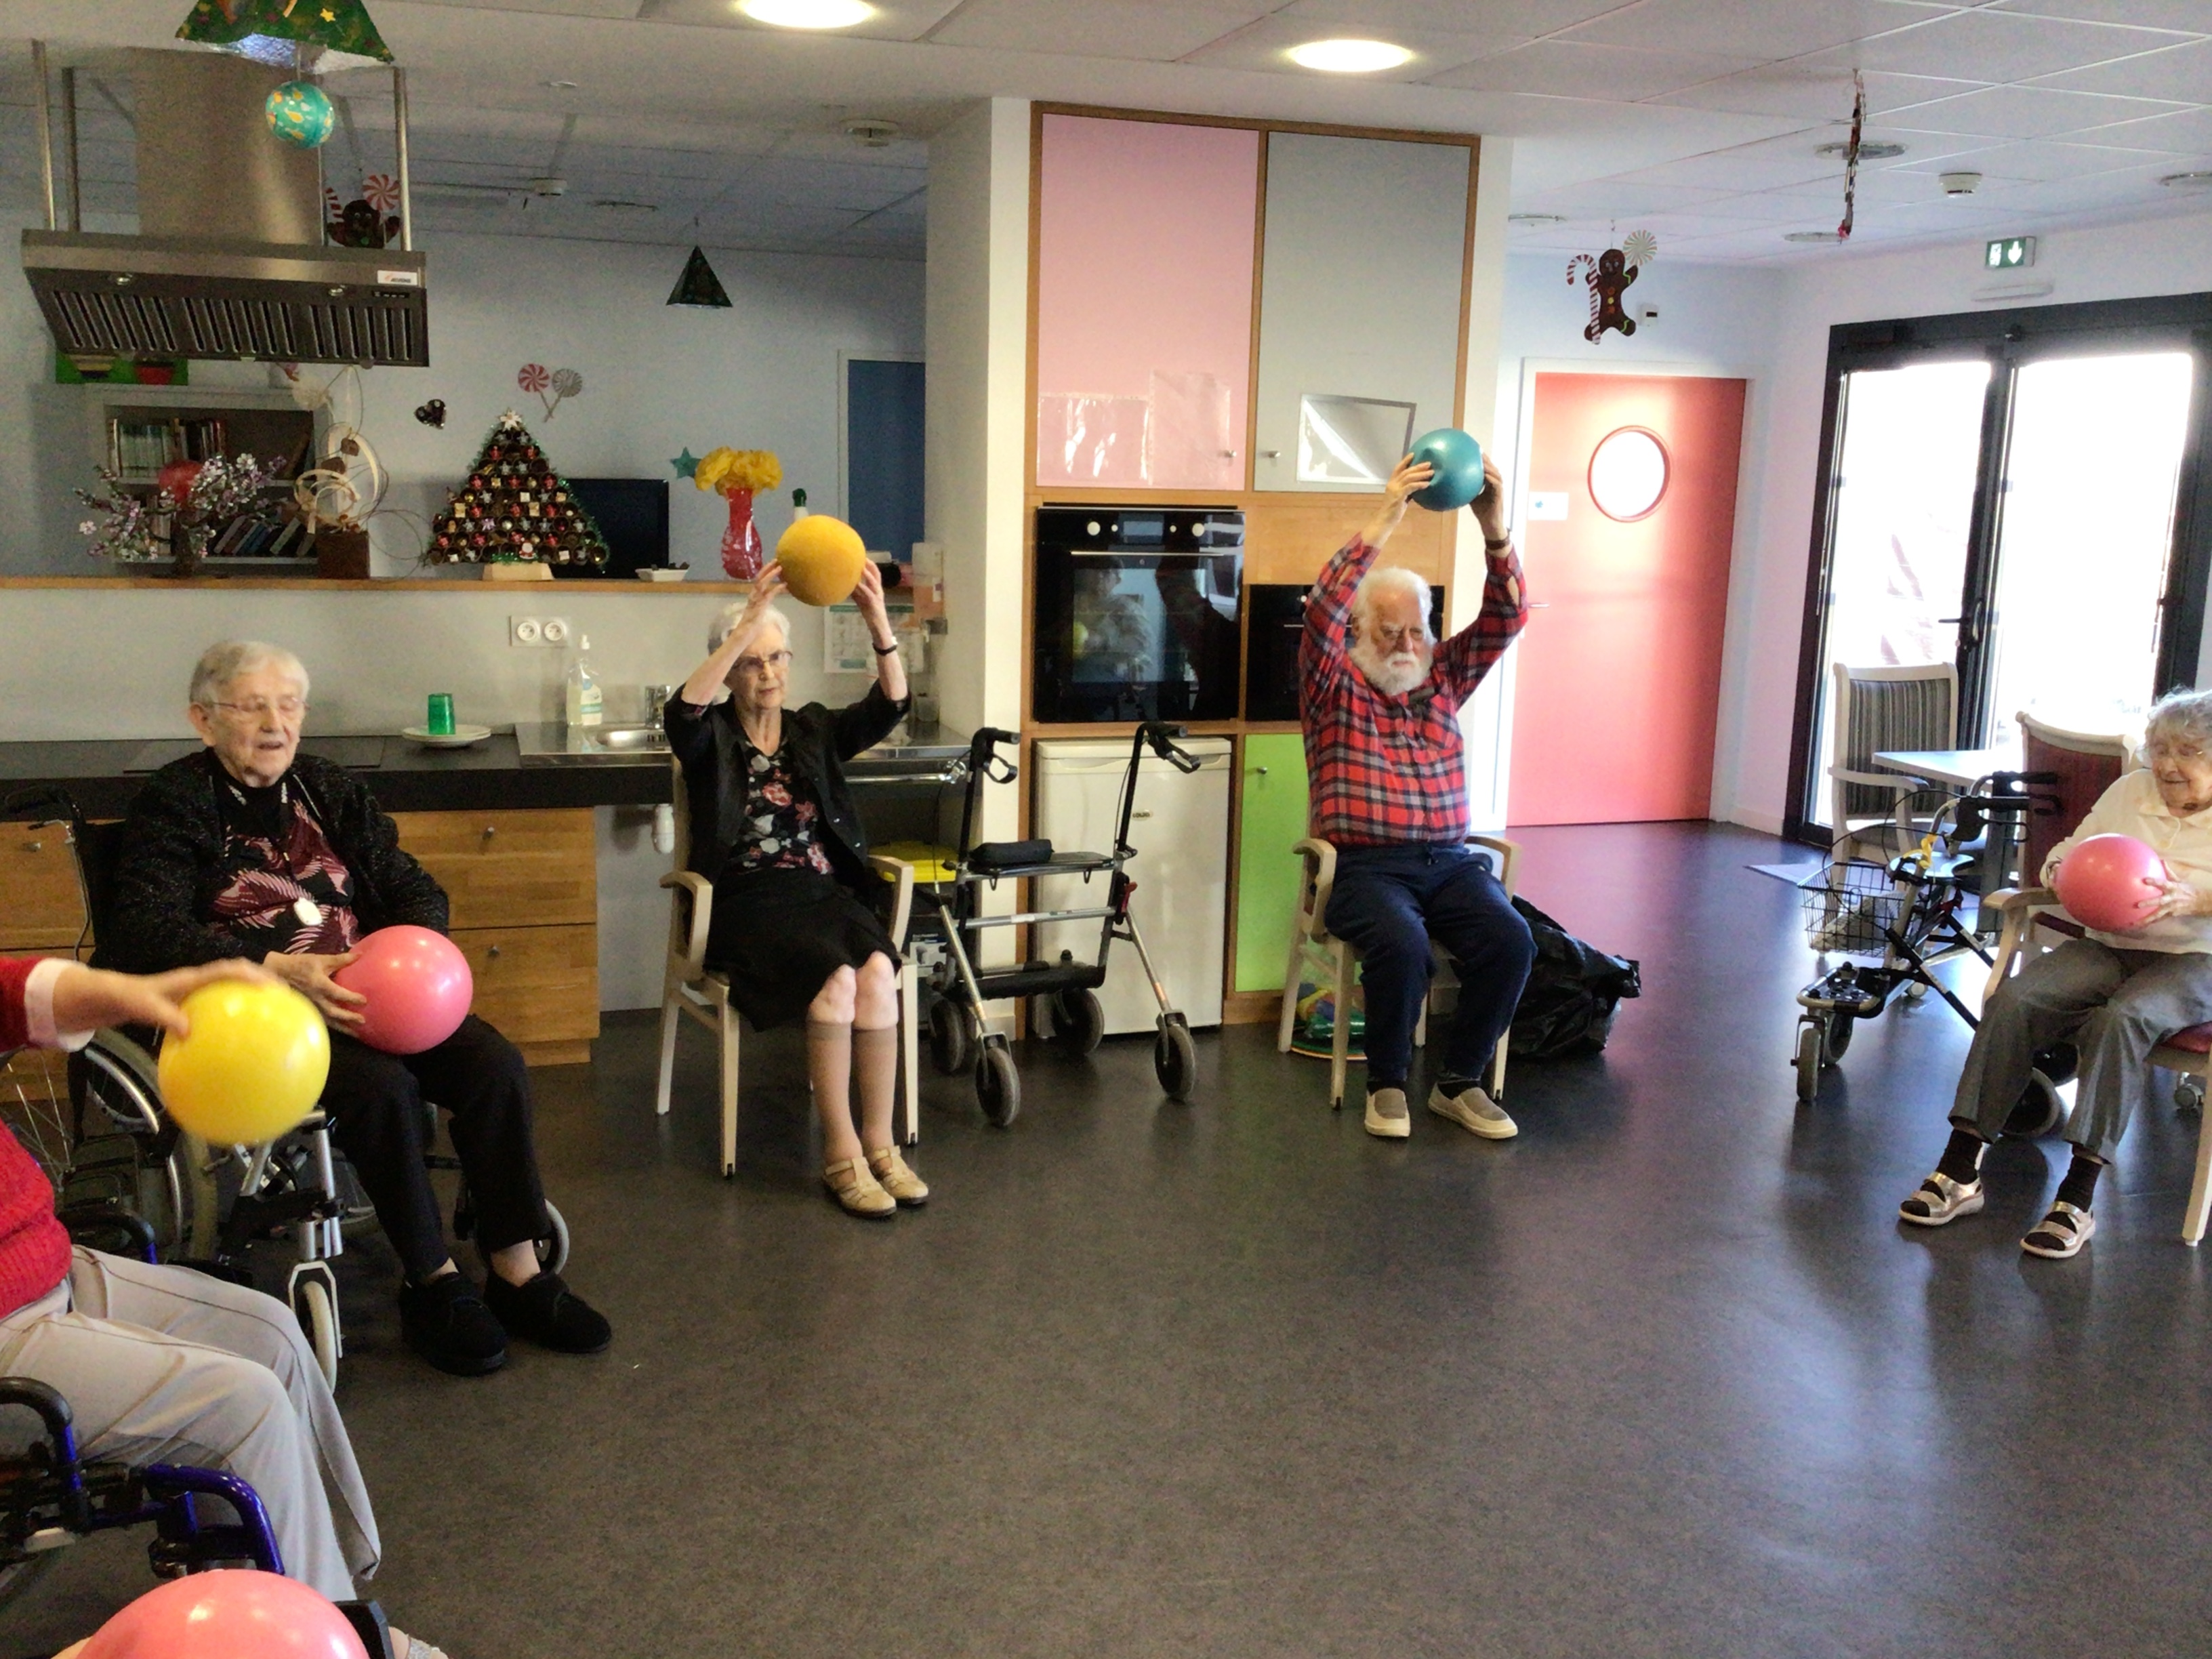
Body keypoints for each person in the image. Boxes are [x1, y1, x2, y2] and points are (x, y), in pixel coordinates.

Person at [96, 642, 611, 1376]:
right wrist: (277, 967)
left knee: (492, 1064)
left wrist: (410, 956)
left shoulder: (326, 787)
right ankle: (432, 1280)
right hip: (257, 1011)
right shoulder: (175, 800)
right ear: (203, 720)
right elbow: (145, 929)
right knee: (381, 1089)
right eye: (252, 707)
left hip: (371, 993)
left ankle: (518, 1269)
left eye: (288, 706)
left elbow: (413, 886)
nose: (275, 725)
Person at [0, 954, 443, 1659]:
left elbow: (10, 995)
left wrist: (138, 993)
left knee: (270, 1333)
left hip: (44, 1267)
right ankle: (328, 1639)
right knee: (242, 1402)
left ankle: (312, 1603)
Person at [1900, 688, 2212, 1258]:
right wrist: (2063, 870)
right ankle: (1959, 1170)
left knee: (2125, 1018)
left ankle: (2077, 1198)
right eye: (2161, 749)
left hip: (2199, 959)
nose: (2168, 764)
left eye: (2188, 752)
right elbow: (2069, 851)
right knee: (2017, 999)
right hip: (2111, 942)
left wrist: (2197, 898)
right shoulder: (2130, 791)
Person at [664, 559, 926, 1218]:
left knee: (877, 972)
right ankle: (841, 1154)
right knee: (836, 980)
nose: (769, 673)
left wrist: (877, 621)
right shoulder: (711, 737)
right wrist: (745, 625)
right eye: (752, 663)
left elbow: (891, 706)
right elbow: (682, 711)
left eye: (777, 657)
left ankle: (882, 1145)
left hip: (821, 893)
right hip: (747, 902)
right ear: (732, 671)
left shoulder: (813, 729)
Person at [1301, 451, 1535, 1141]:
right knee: (1403, 945)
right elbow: (1321, 611)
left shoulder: (1444, 676)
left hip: (1452, 863)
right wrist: (1387, 516)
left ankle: (1458, 1083)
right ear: (1359, 635)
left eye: (1416, 630)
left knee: (1512, 940)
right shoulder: (1332, 686)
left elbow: (1507, 618)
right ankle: (1387, 1085)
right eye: (1389, 631)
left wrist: (1494, 530)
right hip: (1364, 869)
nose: (1406, 643)